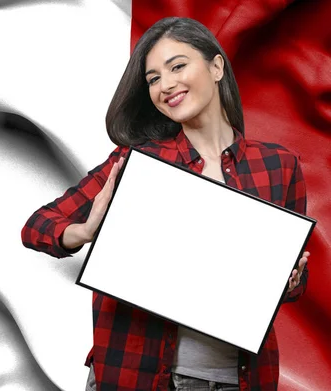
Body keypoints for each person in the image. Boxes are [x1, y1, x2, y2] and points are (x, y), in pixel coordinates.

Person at [20, 17, 310, 391]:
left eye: (177, 66)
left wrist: (289, 281)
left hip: (238, 380)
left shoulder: (278, 165)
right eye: (154, 78)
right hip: (135, 376)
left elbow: (292, 286)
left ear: (216, 66)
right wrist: (86, 230)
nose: (166, 85)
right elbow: (37, 226)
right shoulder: (136, 163)